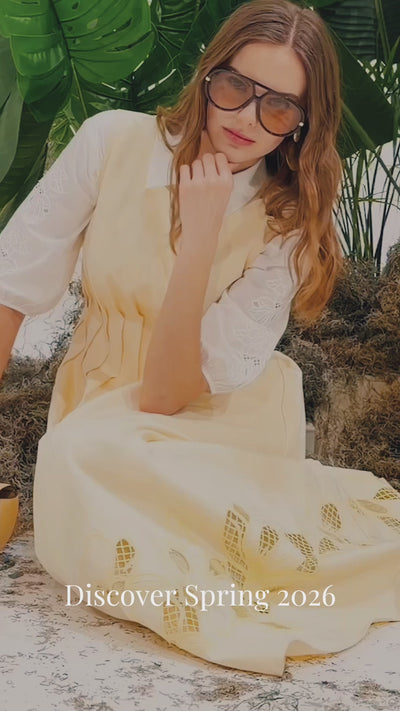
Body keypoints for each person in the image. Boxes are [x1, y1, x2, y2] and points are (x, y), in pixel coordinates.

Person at [0, 0, 399, 677]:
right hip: (95, 411)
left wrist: (203, 234)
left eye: (279, 107)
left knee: (80, 460)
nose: (247, 118)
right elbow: (11, 289)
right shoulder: (111, 142)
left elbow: (162, 396)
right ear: (209, 75)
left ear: (303, 123)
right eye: (236, 86)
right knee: (79, 464)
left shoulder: (288, 221)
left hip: (206, 414)